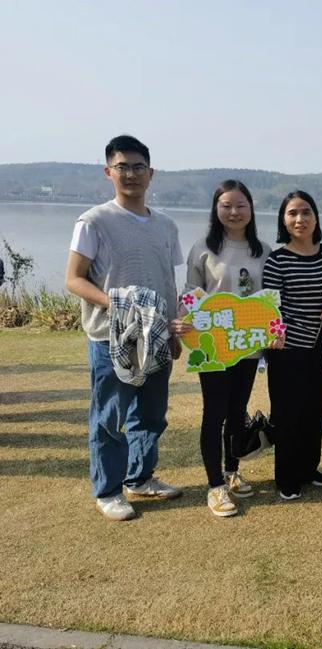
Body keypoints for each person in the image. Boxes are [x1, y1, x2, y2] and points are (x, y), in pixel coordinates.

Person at [65, 134, 183, 521]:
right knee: (110, 417)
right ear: (108, 172)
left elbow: (168, 280)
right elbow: (74, 279)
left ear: (151, 173)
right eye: (122, 167)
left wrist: (172, 327)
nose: (131, 174)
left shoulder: (166, 225)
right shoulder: (94, 221)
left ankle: (140, 477)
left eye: (138, 167)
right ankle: (108, 490)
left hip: (157, 335)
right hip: (110, 336)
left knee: (151, 415)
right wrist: (116, 304)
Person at [181, 180, 274, 517]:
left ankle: (232, 471)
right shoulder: (203, 249)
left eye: (241, 205)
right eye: (226, 206)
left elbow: (270, 301)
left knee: (237, 411)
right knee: (214, 413)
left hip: (247, 346)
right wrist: (183, 322)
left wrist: (273, 331)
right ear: (216, 210)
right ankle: (215, 486)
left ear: (251, 209)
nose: (234, 212)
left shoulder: (263, 251)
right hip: (212, 347)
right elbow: (190, 294)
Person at [262, 190, 322, 500]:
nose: (299, 219)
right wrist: (277, 334)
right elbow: (271, 306)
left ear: (315, 218)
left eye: (306, 212)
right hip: (287, 349)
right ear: (283, 220)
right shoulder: (277, 259)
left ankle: (309, 468)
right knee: (287, 412)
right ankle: (286, 476)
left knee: (316, 410)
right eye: (292, 213)